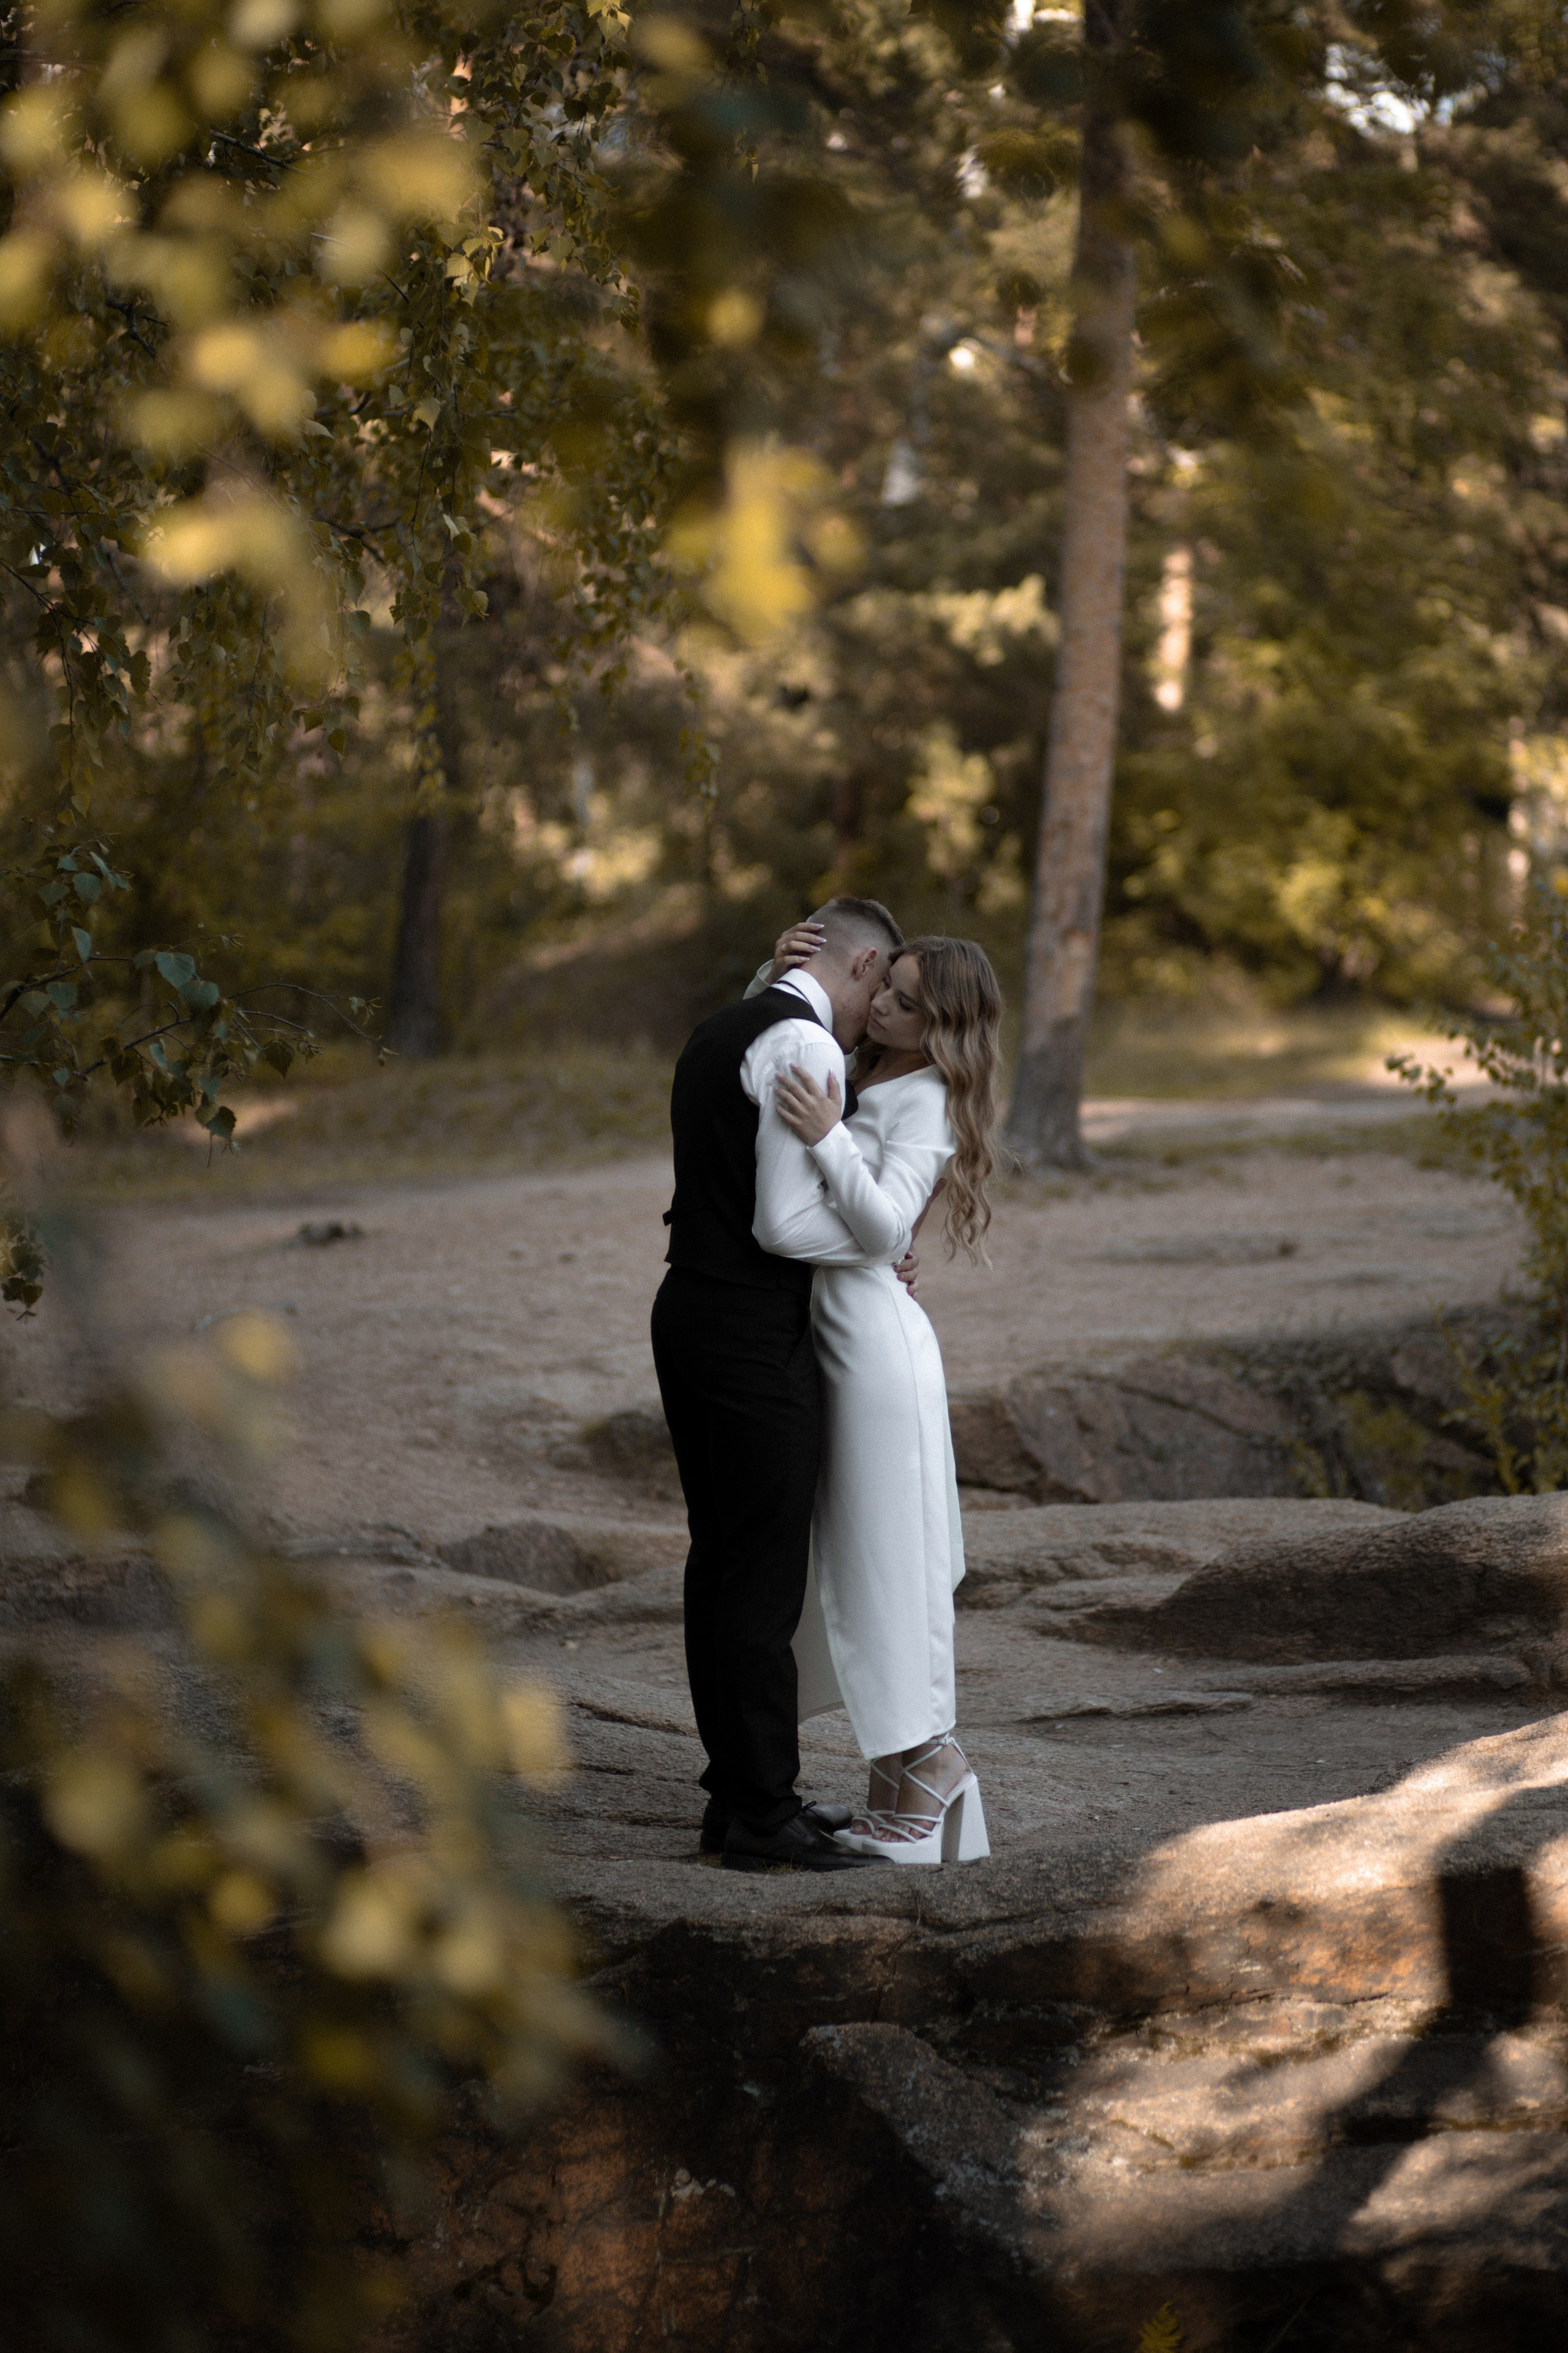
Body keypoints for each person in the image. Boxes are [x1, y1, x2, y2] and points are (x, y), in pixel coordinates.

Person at [649, 895, 906, 1873]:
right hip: (753, 1332)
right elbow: (783, 1225)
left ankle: (740, 1792)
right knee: (760, 1577)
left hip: (690, 1311)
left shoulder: (727, 1024)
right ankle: (762, 1812)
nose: (880, 1011)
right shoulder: (809, 1050)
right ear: (866, 964)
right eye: (886, 986)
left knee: (720, 1564)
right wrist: (877, 1245)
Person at [758, 930, 1004, 1865]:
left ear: (943, 1026)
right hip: (843, 1339)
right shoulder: (872, 1076)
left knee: (888, 1566)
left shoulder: (927, 1097)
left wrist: (827, 1139)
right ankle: (892, 1780)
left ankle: (935, 1770)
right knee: (858, 1562)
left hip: (875, 1351)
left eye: (907, 1000)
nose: (886, 1007)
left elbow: (883, 1225)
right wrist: (774, 974)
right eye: (887, 990)